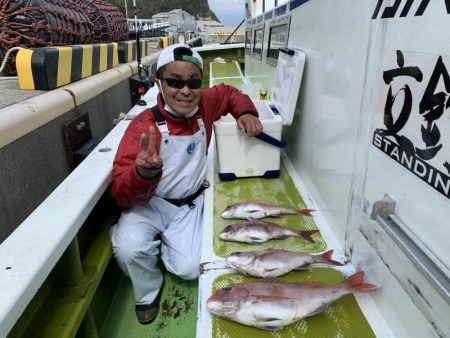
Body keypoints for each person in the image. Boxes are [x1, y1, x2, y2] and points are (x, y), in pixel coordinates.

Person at [109, 43, 263, 324]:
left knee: (191, 269)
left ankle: (163, 247)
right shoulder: (142, 127)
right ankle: (147, 291)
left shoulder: (204, 104)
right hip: (149, 204)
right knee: (129, 248)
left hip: (188, 205)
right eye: (174, 82)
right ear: (159, 83)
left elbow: (229, 92)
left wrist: (245, 112)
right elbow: (120, 194)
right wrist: (142, 173)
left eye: (193, 82)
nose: (185, 90)